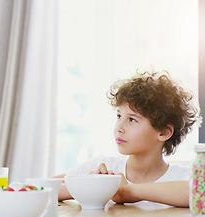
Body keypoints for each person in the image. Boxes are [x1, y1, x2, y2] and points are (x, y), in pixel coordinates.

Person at [55, 71, 201, 207]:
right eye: (119, 116)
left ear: (163, 132)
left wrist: (127, 192)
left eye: (132, 119)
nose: (119, 127)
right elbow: (39, 187)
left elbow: (199, 194)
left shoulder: (182, 177)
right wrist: (91, 188)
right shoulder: (102, 165)